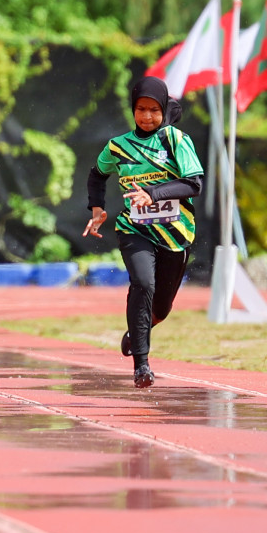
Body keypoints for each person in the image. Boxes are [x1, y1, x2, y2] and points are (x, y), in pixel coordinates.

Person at [83, 75, 204, 389]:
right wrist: (97, 210)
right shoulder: (118, 147)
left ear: (163, 109)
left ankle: (136, 331)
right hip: (134, 230)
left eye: (153, 110)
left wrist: (153, 193)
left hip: (176, 234)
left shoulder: (176, 140)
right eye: (141, 109)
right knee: (142, 283)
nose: (147, 116)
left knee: (160, 308)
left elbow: (193, 184)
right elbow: (97, 176)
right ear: (132, 110)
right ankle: (142, 365)